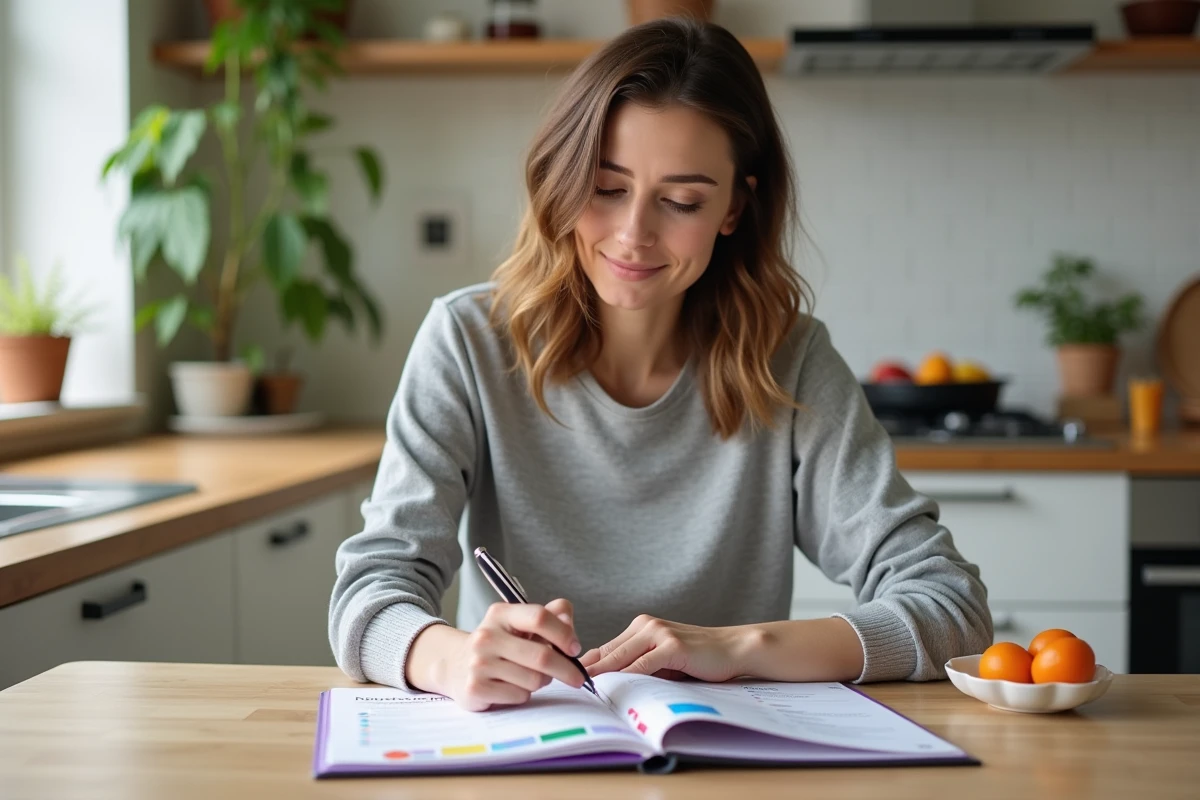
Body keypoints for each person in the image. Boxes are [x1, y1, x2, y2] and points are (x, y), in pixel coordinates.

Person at [329, 18, 992, 712]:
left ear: (734, 207)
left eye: (681, 202)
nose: (633, 234)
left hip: (722, 749)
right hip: (526, 741)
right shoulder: (467, 341)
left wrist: (740, 648)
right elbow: (369, 597)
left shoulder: (790, 361)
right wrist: (451, 657)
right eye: (605, 187)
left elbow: (950, 605)